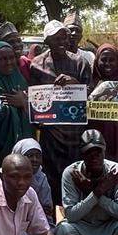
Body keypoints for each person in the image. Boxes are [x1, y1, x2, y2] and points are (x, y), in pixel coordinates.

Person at [30, 20, 93, 206]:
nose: (62, 42)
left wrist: (76, 85)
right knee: (53, 178)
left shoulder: (80, 63)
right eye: (56, 39)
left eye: (64, 37)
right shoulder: (37, 65)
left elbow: (92, 95)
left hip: (75, 133)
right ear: (47, 41)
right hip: (51, 135)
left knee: (76, 176)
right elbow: (33, 98)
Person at [0, 39, 33, 162]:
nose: (9, 62)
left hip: (24, 142)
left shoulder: (20, 81)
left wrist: (24, 104)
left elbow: (35, 110)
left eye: (11, 58)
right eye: (3, 59)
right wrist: (9, 108)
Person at [0, 138, 55, 222]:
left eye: (38, 156)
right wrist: (33, 210)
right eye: (30, 156)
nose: (35, 160)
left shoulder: (40, 178)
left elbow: (47, 210)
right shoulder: (3, 177)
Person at [90, 42, 118, 161]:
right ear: (97, 61)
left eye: (112, 60)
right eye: (103, 60)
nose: (107, 64)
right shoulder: (89, 84)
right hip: (96, 139)